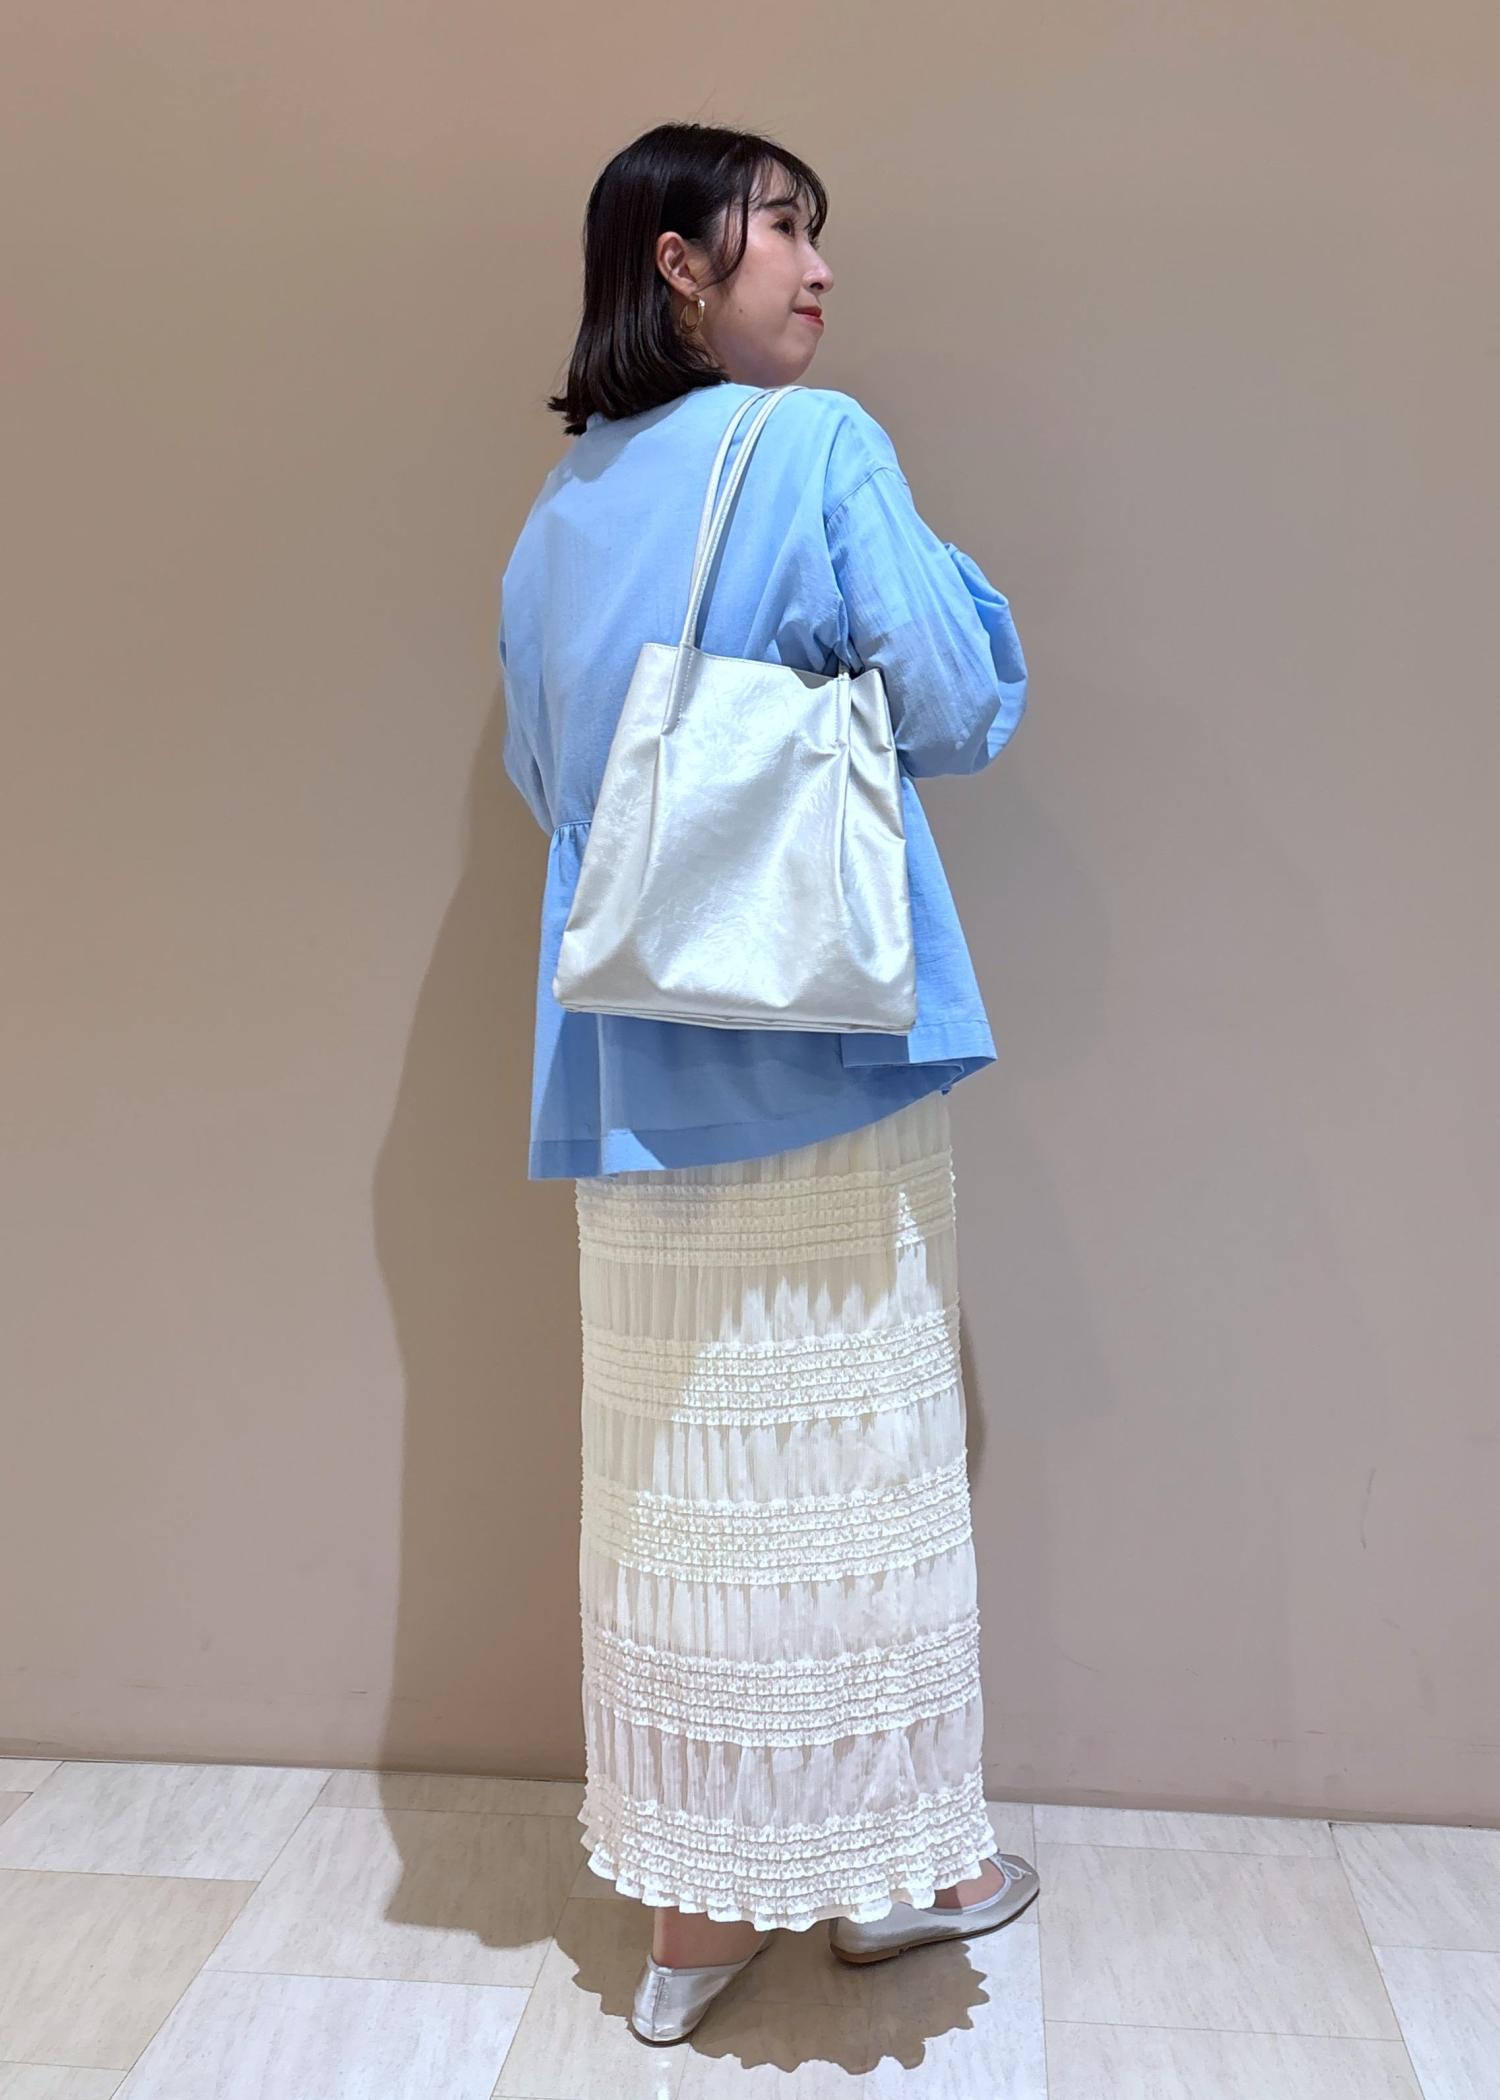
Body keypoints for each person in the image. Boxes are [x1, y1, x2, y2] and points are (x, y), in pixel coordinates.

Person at [497, 121, 1041, 2046]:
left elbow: (554, 786)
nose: (818, 268)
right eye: (783, 229)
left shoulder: (559, 508)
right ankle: (906, 1876)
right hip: (825, 1055)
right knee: (858, 1475)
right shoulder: (820, 445)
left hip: (632, 1080)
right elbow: (957, 705)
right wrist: (956, 596)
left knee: (675, 1498)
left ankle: (692, 1923)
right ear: (677, 260)